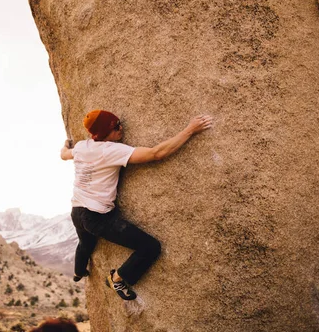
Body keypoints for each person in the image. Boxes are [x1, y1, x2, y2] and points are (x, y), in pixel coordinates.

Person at [60, 110, 213, 300]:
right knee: (150, 247)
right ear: (105, 134)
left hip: (77, 210)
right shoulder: (111, 150)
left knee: (86, 242)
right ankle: (117, 279)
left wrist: (65, 146)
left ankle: (78, 272)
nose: (121, 128)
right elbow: (157, 153)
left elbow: (64, 154)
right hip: (96, 217)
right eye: (116, 127)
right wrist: (190, 130)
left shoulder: (82, 147)